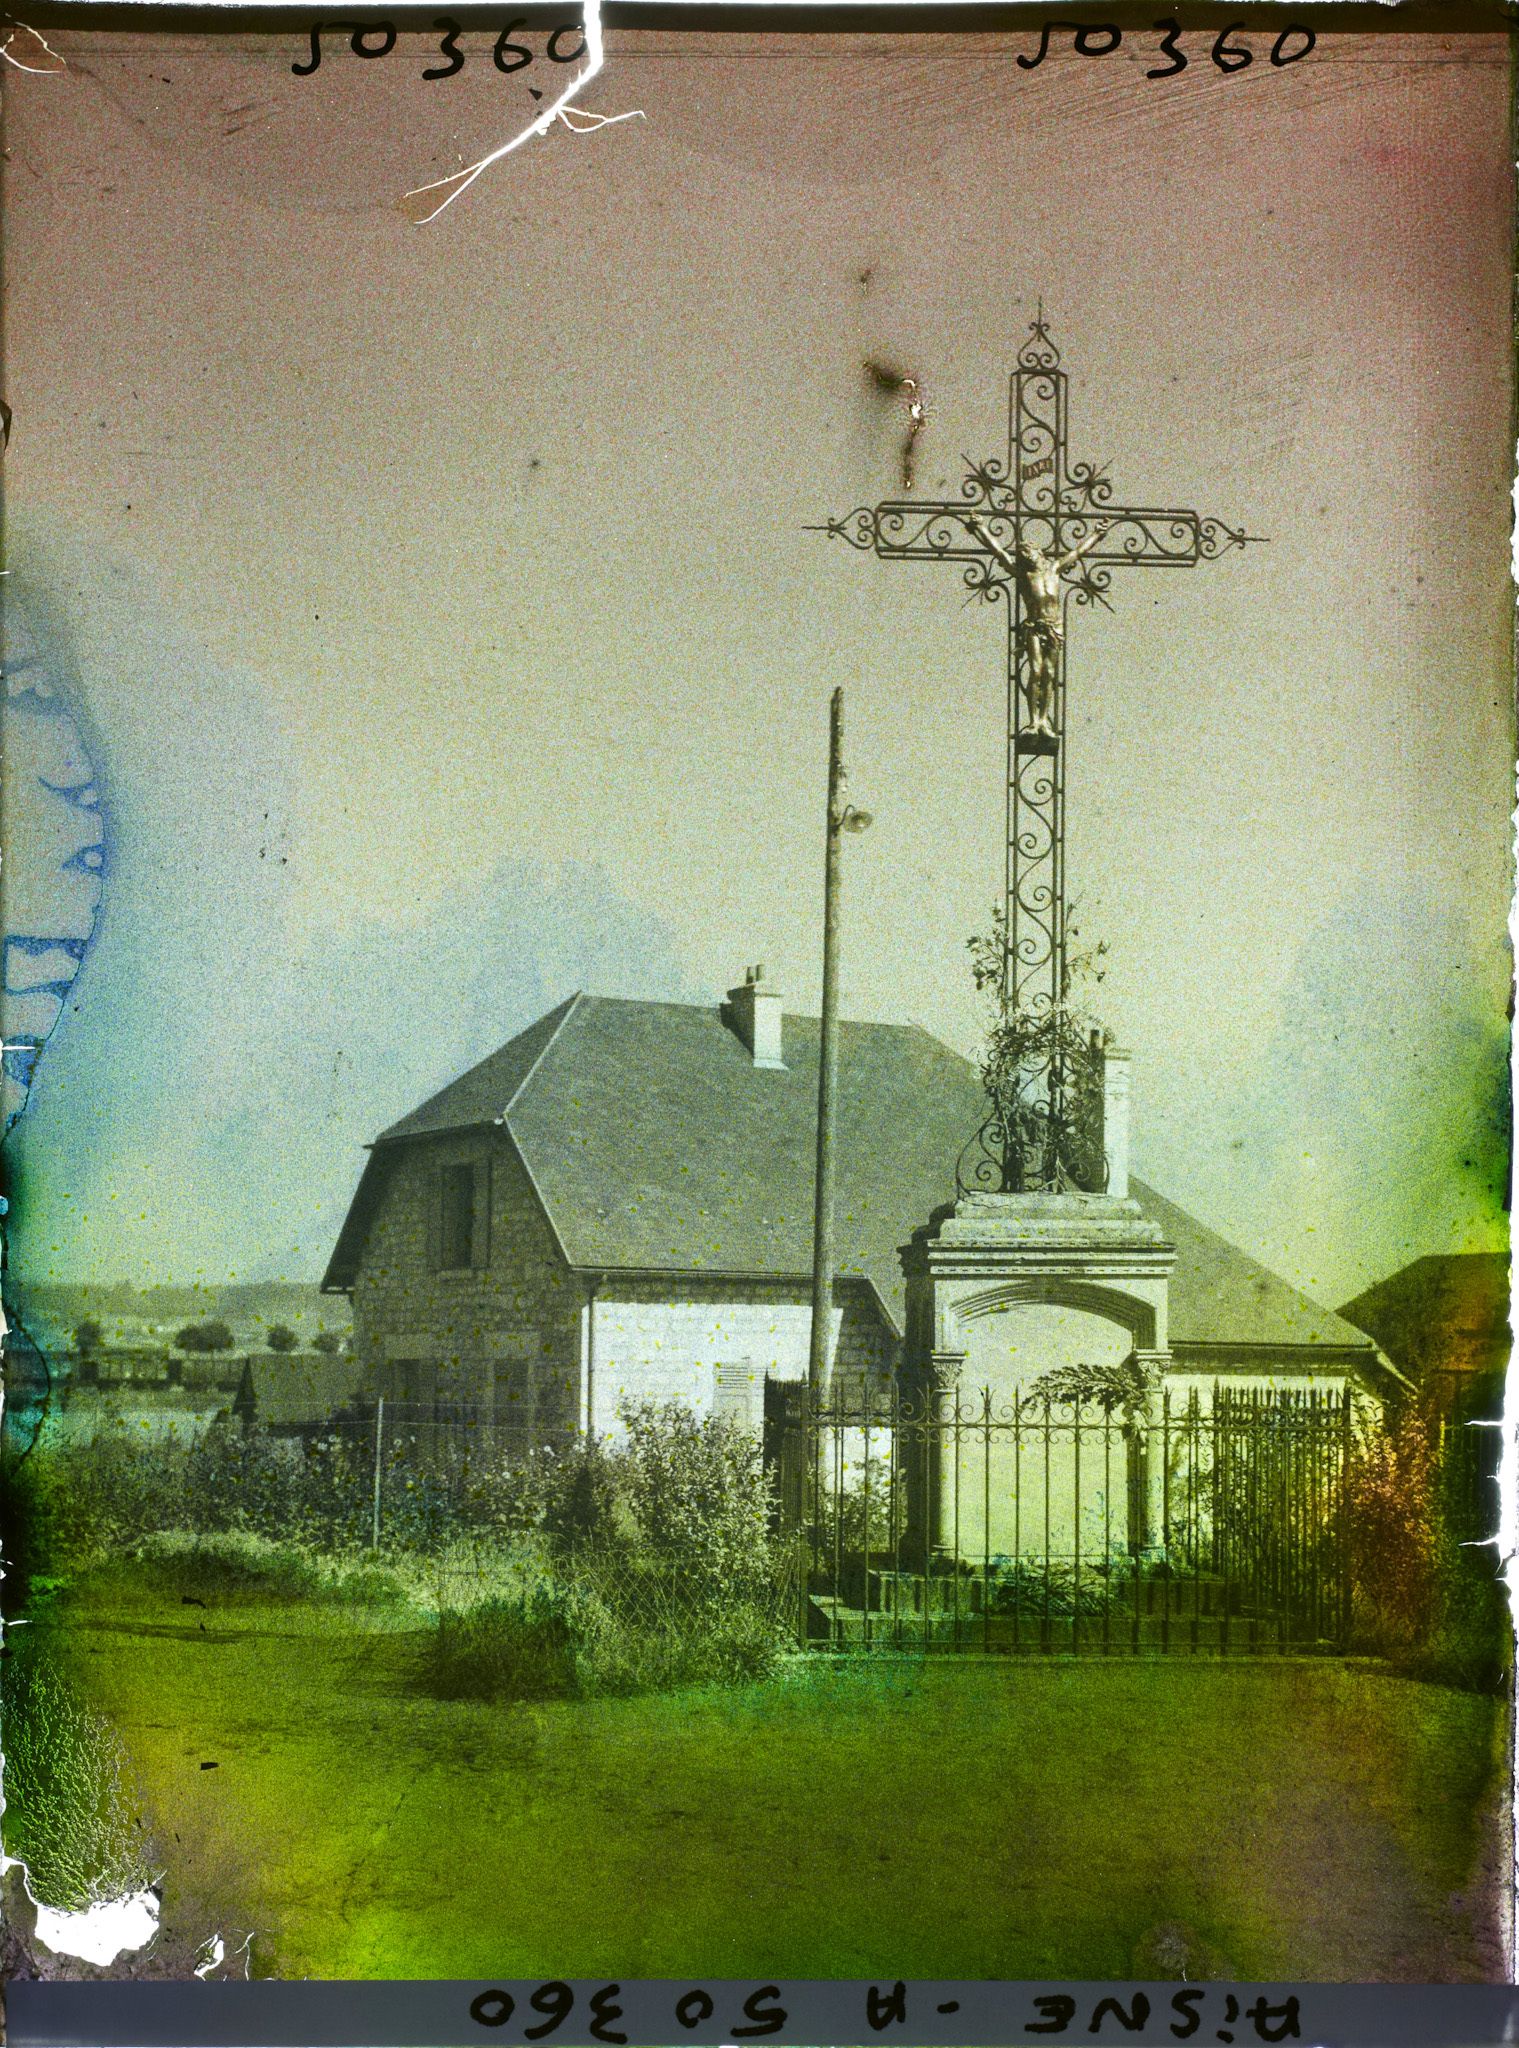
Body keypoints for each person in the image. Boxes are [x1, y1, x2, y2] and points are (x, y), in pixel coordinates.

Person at [966, 515, 1110, 734]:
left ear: (1038, 552)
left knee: (1049, 673)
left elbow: (1078, 552)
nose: (1025, 556)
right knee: (1035, 670)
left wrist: (1097, 533)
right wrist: (980, 527)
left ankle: (1043, 720)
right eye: (1022, 554)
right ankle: (1034, 721)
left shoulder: (1054, 569)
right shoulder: (1023, 575)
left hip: (1054, 628)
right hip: (1034, 626)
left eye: (1028, 552)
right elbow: (999, 552)